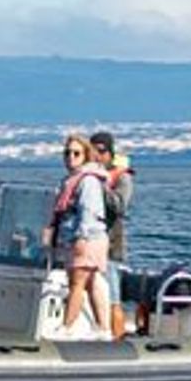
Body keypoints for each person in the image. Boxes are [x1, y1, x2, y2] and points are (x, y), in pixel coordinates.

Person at [48, 133, 113, 338]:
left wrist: (82, 238)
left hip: (87, 238)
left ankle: (66, 326)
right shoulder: (70, 181)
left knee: (77, 282)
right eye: (67, 153)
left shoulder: (88, 181)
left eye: (76, 153)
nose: (71, 157)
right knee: (90, 282)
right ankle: (103, 327)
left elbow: (89, 211)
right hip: (74, 237)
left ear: (85, 155)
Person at [91, 130, 136, 336]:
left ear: (109, 153)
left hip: (110, 246)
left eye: (100, 151)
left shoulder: (121, 178)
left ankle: (117, 339)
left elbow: (120, 206)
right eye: (92, 151)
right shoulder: (88, 176)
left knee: (112, 298)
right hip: (88, 245)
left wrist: (102, 186)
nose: (96, 156)